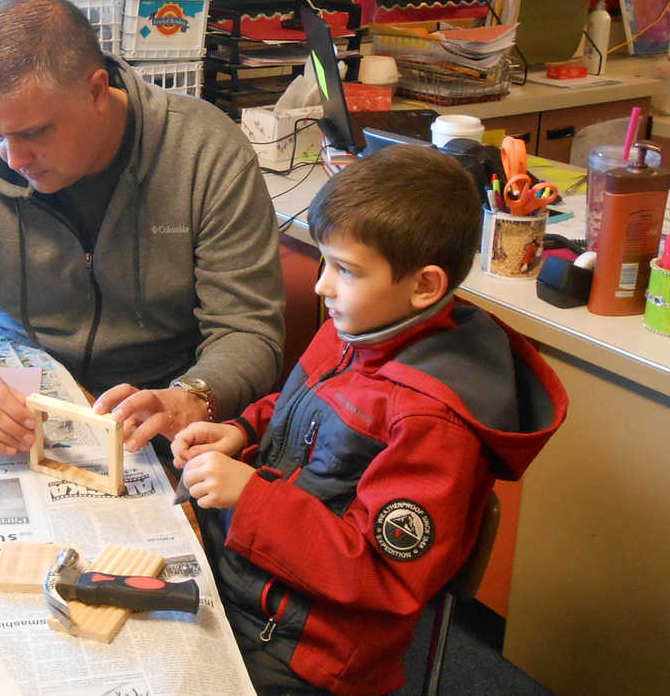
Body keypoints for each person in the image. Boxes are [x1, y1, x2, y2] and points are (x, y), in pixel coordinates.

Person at [171, 145, 568, 695]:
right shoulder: (359, 325)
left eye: (346, 270)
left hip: (301, 652)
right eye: (325, 262)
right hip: (246, 579)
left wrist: (252, 495)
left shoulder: (434, 424)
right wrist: (242, 430)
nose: (321, 286)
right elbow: (297, 403)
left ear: (424, 286)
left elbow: (383, 576)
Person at [0, 0, 284, 456]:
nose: (14, 159)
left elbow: (249, 332)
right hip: (24, 402)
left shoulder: (206, 152)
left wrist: (195, 395)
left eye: (33, 133)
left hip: (159, 410)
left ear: (97, 91)